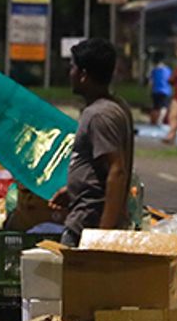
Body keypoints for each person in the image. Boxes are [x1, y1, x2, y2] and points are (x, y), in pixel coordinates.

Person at [51, 38, 135, 245]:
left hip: (88, 224)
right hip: (85, 216)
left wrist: (102, 236)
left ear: (83, 75)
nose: (70, 74)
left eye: (73, 68)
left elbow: (117, 170)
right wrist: (72, 190)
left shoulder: (99, 115)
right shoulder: (114, 106)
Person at [146, 52, 173, 126]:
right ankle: (160, 120)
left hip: (155, 90)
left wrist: (149, 91)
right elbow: (171, 80)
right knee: (164, 107)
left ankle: (153, 121)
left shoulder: (154, 70)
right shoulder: (167, 70)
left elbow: (150, 82)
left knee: (155, 107)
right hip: (165, 91)